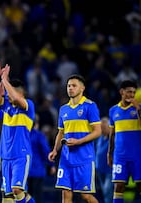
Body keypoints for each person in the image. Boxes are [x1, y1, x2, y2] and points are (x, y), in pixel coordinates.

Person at [0, 61, 36, 203]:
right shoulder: (6, 106)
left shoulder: (28, 106)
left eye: (9, 92)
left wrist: (5, 81)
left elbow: (16, 98)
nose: (7, 95)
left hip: (21, 155)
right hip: (6, 156)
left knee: (17, 190)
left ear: (20, 92)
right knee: (7, 198)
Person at [48, 74, 101, 203]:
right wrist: (55, 150)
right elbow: (61, 133)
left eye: (74, 86)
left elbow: (98, 132)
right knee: (66, 194)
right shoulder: (63, 109)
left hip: (84, 158)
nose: (70, 88)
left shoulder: (90, 106)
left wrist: (79, 141)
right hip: (66, 159)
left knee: (86, 196)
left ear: (82, 88)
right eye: (69, 86)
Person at [107, 80, 141, 203]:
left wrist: (138, 109)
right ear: (122, 92)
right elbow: (112, 134)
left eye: (133, 92)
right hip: (120, 156)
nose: (131, 95)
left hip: (138, 156)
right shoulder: (113, 111)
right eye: (129, 92)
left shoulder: (138, 108)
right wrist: (109, 153)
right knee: (118, 186)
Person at [27, 114, 56, 203]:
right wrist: (52, 165)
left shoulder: (22, 135)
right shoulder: (39, 135)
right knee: (37, 197)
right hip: (38, 170)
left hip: (24, 170)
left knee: (25, 198)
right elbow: (46, 151)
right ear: (36, 123)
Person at [95, 117, 112, 203]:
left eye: (104, 128)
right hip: (100, 170)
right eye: (101, 128)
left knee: (108, 192)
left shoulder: (113, 138)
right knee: (104, 193)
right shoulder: (100, 138)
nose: (102, 129)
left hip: (109, 170)